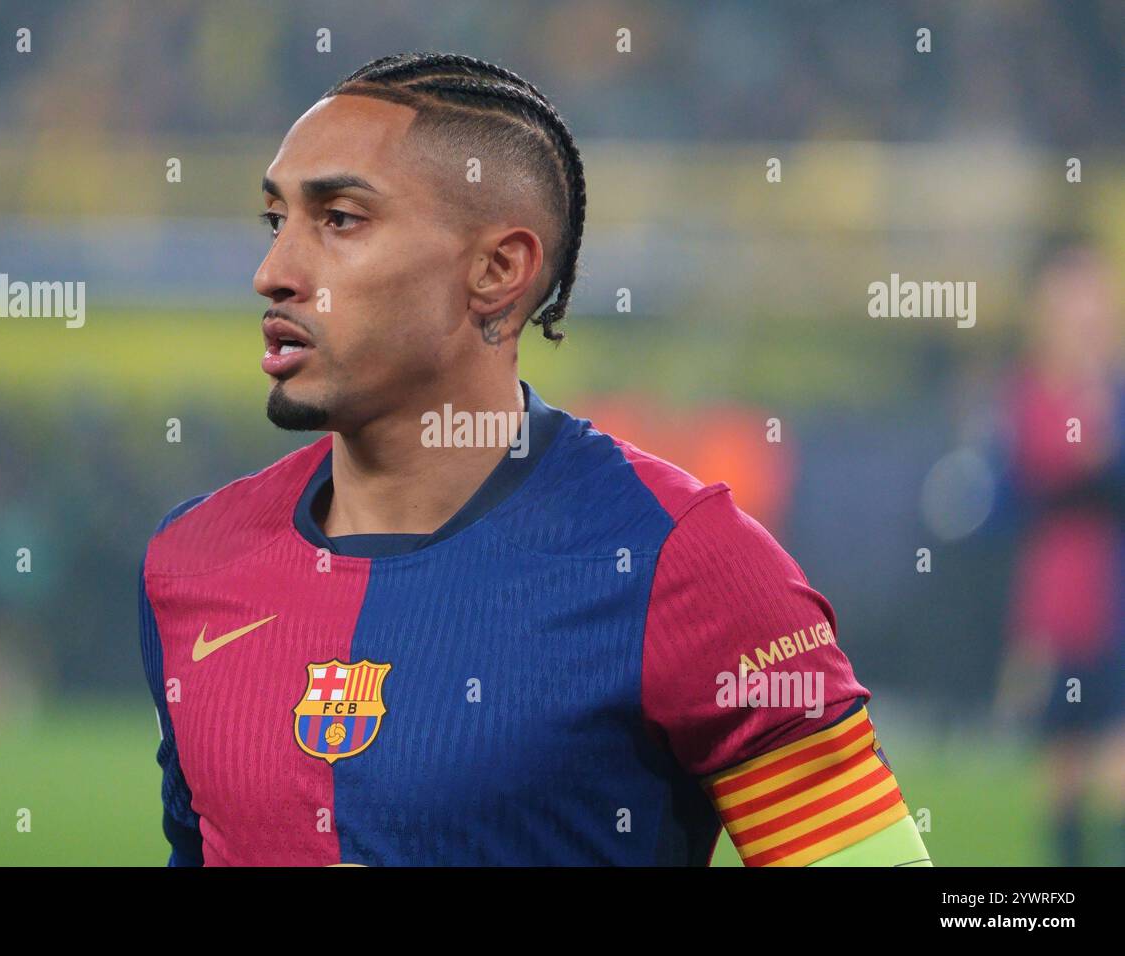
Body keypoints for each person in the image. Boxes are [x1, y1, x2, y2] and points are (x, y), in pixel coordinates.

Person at [138, 52, 931, 866]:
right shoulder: (191, 562)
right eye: (278, 223)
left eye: (339, 218)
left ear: (497, 271)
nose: (273, 273)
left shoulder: (682, 563)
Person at [987, 239, 1125, 866]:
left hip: (1111, 600)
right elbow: (1059, 467)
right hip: (1061, 605)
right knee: (1064, 771)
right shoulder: (1034, 393)